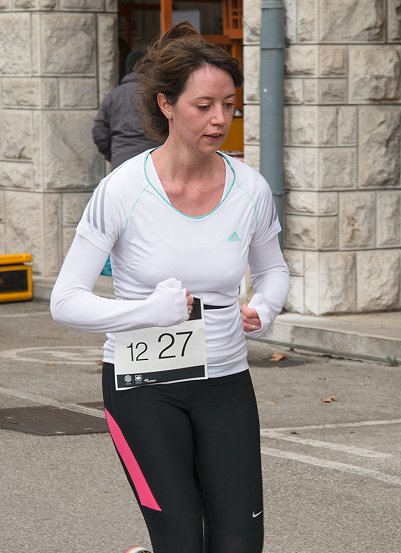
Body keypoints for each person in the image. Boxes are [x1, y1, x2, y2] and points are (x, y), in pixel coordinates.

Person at [51, 22, 289, 553]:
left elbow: (273, 269)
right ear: (166, 104)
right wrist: (145, 311)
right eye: (204, 105)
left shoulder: (250, 188)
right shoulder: (122, 189)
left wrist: (265, 306)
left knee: (240, 541)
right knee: (180, 540)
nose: (220, 119)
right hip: (141, 388)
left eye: (229, 104)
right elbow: (65, 301)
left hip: (225, 383)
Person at [92, 49, 160, 169]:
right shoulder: (156, 95)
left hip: (122, 160)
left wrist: (114, 153)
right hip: (153, 160)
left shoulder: (113, 96)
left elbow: (99, 132)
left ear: (127, 67)